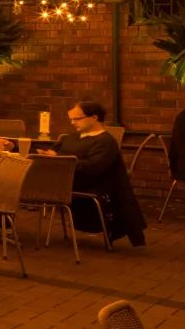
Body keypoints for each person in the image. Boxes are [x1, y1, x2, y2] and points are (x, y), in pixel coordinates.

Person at [58, 101, 147, 247]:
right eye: (71, 119)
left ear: (94, 117)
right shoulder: (71, 138)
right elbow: (54, 150)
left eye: (77, 119)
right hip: (63, 181)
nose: (73, 123)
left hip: (88, 185)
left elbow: (93, 167)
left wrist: (61, 160)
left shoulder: (105, 142)